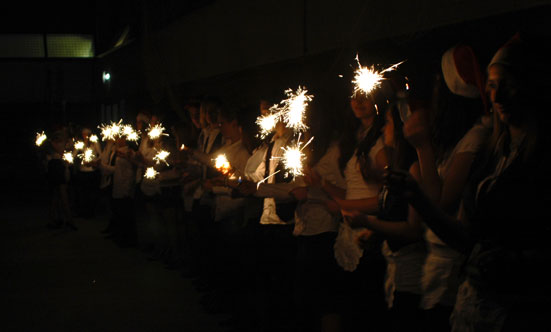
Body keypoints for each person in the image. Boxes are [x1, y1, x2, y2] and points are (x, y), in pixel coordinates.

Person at [385, 33, 551, 331]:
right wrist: (415, 196)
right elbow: (465, 235)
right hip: (474, 306)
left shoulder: (539, 160)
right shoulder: (493, 154)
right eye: (491, 85)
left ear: (532, 87)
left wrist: (517, 262)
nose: (497, 96)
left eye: (508, 84)